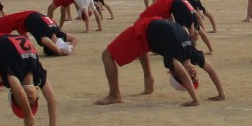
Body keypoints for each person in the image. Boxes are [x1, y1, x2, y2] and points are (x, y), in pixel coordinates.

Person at [95, 17, 225, 106]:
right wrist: (221, 94)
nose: (193, 75)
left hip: (144, 30)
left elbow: (184, 76)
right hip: (153, 25)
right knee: (140, 46)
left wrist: (195, 100)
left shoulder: (174, 59)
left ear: (173, 72)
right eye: (195, 77)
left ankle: (115, 94)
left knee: (107, 55)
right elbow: (211, 70)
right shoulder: (192, 53)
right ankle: (147, 78)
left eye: (190, 79)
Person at [0, 9, 77, 57]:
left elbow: (75, 39)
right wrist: (62, 51)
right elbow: (75, 39)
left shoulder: (56, 33)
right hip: (24, 18)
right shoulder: (53, 34)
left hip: (26, 20)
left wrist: (68, 48)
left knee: (25, 41)